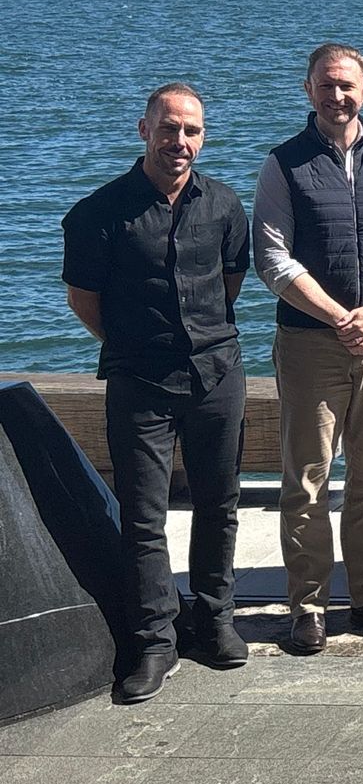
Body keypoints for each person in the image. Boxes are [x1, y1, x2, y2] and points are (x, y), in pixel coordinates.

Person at [62, 83, 251, 701]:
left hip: (215, 374)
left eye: (192, 131)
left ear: (203, 136)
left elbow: (230, 283)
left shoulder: (224, 205)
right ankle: (153, 640)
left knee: (219, 503)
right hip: (138, 380)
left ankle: (214, 618)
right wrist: (138, 341)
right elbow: (84, 301)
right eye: (169, 128)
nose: (180, 142)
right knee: (143, 517)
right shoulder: (98, 213)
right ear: (144, 130)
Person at [253, 43, 363, 655]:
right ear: (308, 90)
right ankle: (307, 603)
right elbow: (272, 258)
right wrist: (337, 315)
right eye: (326, 86)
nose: (337, 96)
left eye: (347, 86)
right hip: (310, 341)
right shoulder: (283, 165)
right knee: (306, 479)